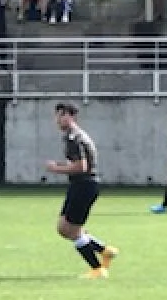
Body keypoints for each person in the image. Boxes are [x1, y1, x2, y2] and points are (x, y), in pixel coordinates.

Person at [44, 103, 118, 279]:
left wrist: (56, 169)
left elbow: (82, 166)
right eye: (57, 115)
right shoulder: (73, 136)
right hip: (80, 185)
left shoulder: (74, 138)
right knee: (63, 227)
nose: (58, 120)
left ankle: (97, 268)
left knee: (72, 231)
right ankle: (104, 250)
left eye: (62, 115)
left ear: (71, 117)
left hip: (84, 186)